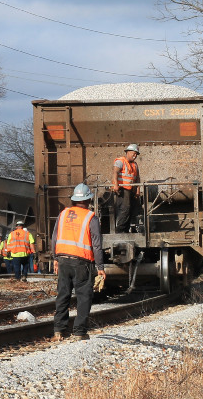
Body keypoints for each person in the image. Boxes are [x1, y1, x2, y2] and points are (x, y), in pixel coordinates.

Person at [51, 184, 106, 341]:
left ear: (74, 199)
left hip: (62, 260)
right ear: (88, 199)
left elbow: (54, 238)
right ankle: (79, 332)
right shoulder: (90, 217)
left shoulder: (63, 214)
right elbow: (96, 244)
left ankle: (58, 331)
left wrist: (55, 258)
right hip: (82, 262)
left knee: (63, 295)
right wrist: (100, 267)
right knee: (83, 296)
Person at [111, 143, 141, 232]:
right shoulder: (120, 161)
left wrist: (138, 191)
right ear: (128, 152)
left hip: (131, 190)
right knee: (125, 209)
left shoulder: (135, 165)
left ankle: (126, 230)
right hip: (122, 190)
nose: (135, 156)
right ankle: (119, 231)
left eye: (136, 154)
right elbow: (115, 172)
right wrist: (115, 185)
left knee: (131, 210)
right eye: (133, 153)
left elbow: (137, 178)